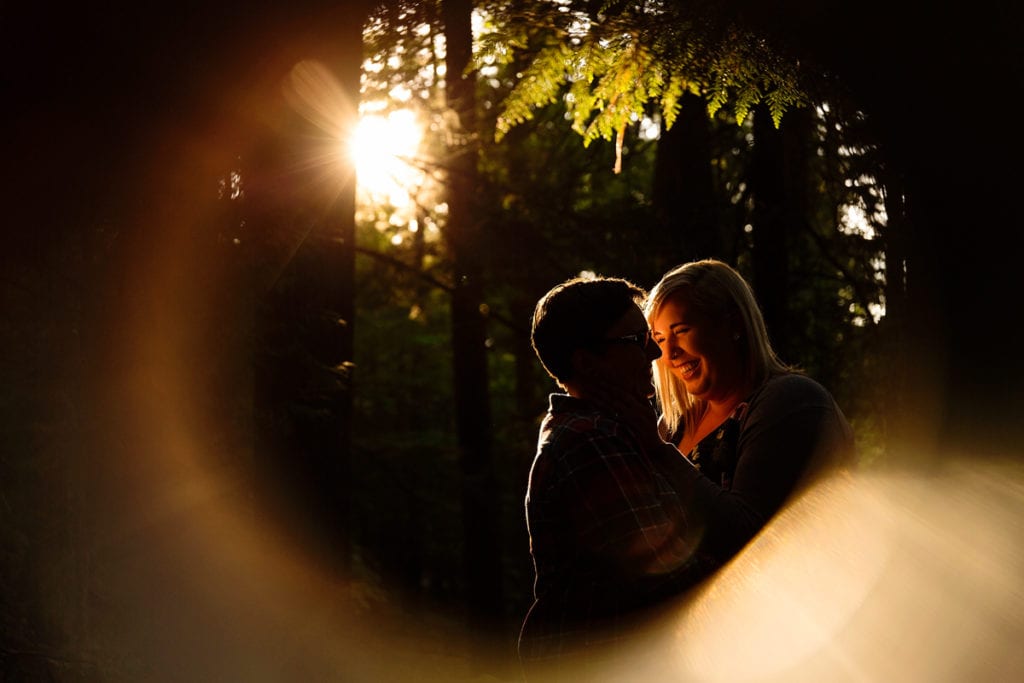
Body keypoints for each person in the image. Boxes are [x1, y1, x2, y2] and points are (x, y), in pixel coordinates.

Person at [518, 274, 705, 675]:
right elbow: (668, 574)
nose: (654, 355)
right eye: (636, 342)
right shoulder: (590, 442)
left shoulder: (600, 431)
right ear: (586, 361)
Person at [640, 258, 855, 580]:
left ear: (734, 325)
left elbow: (748, 533)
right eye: (659, 339)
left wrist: (657, 453)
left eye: (681, 331)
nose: (669, 354)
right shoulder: (672, 428)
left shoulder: (789, 401)